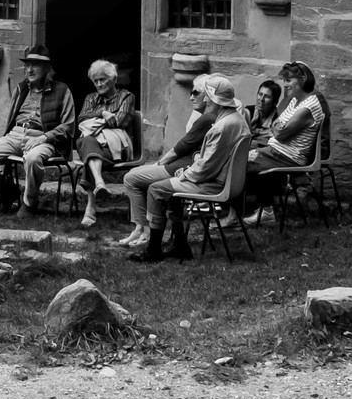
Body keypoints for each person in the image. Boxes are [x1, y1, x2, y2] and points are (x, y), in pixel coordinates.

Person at [130, 75, 249, 264]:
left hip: (212, 184)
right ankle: (179, 245)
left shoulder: (220, 126)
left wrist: (185, 173)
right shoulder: (237, 119)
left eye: (207, 96)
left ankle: (153, 250)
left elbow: (204, 169)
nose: (206, 100)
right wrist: (193, 164)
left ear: (214, 99)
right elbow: (212, 159)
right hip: (224, 181)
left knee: (156, 189)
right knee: (168, 188)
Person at [0, 45, 76, 217]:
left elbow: (68, 125)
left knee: (33, 159)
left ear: (47, 68)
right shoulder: (21, 89)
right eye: (27, 65)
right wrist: (9, 136)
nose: (29, 69)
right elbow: (11, 119)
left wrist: (44, 137)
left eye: (35, 65)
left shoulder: (62, 90)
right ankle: (7, 191)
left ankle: (30, 202)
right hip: (16, 134)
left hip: (45, 139)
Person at [117, 75, 214, 250]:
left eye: (195, 92)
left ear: (208, 96)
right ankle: (169, 239)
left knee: (131, 178)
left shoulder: (206, 119)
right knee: (149, 181)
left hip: (183, 168)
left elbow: (181, 147)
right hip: (187, 166)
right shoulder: (209, 117)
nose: (191, 96)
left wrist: (159, 163)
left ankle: (144, 230)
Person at [245, 62, 327, 224]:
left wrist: (279, 129)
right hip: (276, 150)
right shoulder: (294, 101)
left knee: (240, 162)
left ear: (303, 79)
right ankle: (260, 209)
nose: (285, 84)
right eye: (284, 80)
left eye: (289, 80)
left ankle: (263, 211)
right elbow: (277, 125)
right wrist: (279, 128)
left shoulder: (309, 105)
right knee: (240, 158)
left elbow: (280, 132)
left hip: (289, 155)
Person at [71, 60, 135, 229]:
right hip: (96, 147)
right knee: (86, 142)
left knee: (87, 151)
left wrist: (95, 122)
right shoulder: (91, 98)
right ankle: (99, 182)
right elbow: (81, 119)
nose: (99, 84)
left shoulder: (126, 96)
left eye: (102, 80)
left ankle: (91, 208)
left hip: (117, 149)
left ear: (113, 79)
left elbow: (121, 121)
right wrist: (103, 113)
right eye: (96, 81)